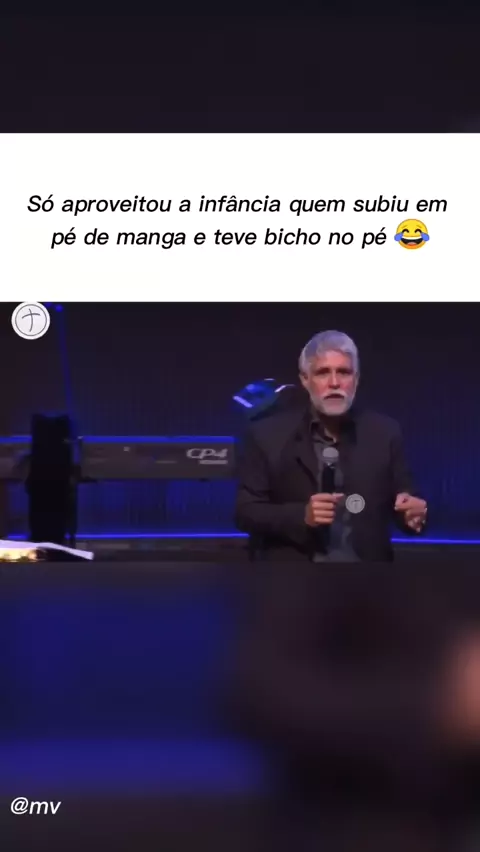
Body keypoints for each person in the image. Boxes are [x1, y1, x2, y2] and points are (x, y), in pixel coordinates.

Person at [235, 330, 427, 561]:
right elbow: (246, 512)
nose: (334, 383)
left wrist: (412, 514)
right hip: (294, 575)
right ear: (305, 380)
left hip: (368, 574)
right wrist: (301, 516)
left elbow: (405, 500)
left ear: (356, 379)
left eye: (344, 372)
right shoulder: (267, 435)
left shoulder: (385, 432)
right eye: (323, 372)